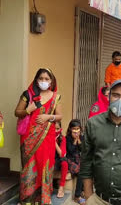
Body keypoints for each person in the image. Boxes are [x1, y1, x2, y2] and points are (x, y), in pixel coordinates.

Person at [15, 68, 62, 204]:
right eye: (41, 78)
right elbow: (17, 112)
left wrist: (48, 116)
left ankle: (44, 198)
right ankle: (27, 198)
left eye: (47, 79)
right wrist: (27, 110)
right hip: (29, 138)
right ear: (36, 80)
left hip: (46, 137)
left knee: (44, 165)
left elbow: (60, 116)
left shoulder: (55, 96)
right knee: (29, 166)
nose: (43, 81)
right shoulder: (28, 94)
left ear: (51, 81)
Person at [65, 119, 85, 204]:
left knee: (86, 169)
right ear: (70, 129)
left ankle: (83, 191)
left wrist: (79, 140)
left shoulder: (82, 137)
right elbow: (70, 151)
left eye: (78, 128)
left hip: (79, 158)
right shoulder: (67, 138)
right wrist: (74, 140)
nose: (76, 131)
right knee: (80, 172)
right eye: (74, 129)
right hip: (70, 159)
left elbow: (83, 149)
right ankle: (77, 196)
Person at [55, 121, 68, 198]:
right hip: (49, 160)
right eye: (54, 129)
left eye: (58, 129)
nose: (56, 131)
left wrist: (54, 142)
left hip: (58, 159)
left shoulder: (62, 138)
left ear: (61, 129)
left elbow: (62, 154)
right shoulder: (46, 137)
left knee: (65, 163)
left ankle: (61, 188)